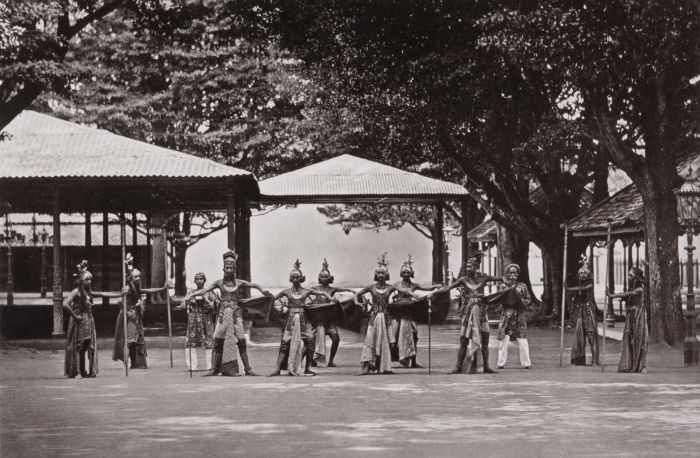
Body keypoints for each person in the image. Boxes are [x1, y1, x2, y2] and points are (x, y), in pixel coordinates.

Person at [185, 250, 272, 376]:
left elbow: (254, 285)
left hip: (236, 316)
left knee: (241, 341)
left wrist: (263, 291)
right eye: (227, 267)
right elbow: (204, 291)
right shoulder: (218, 283)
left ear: (235, 268)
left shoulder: (240, 283)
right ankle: (214, 369)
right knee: (218, 341)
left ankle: (248, 369)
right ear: (223, 268)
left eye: (231, 267)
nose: (229, 270)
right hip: (223, 316)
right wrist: (191, 295)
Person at [354, 254, 419, 375]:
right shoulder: (371, 287)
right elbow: (356, 295)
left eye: (382, 273)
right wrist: (357, 303)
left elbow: (405, 291)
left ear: (387, 275)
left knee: (385, 342)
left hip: (386, 318)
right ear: (375, 275)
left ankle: (384, 367)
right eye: (378, 273)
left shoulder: (390, 288)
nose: (380, 275)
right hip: (374, 318)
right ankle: (367, 367)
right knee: (370, 340)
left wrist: (419, 296)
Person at [269, 260, 336, 376]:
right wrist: (269, 299)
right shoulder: (286, 292)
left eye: (297, 277)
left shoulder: (306, 291)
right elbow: (272, 299)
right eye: (293, 277)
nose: (295, 279)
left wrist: (330, 298)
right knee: (285, 344)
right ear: (290, 279)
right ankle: (278, 369)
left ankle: (307, 368)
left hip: (303, 321)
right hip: (290, 322)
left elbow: (322, 293)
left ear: (301, 278)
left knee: (310, 341)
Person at [440, 252, 502, 374]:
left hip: (482, 314)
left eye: (471, 266)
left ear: (477, 267)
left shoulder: (484, 278)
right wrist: (435, 291)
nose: (468, 269)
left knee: (485, 340)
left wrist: (509, 280)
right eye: (467, 266)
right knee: (463, 340)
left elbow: (499, 278)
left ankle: (486, 366)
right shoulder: (463, 280)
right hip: (468, 313)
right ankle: (458, 367)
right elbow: (448, 288)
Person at [64, 260, 126, 378]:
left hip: (88, 321)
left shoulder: (89, 292)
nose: (90, 281)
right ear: (81, 280)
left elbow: (103, 294)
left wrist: (120, 295)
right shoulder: (76, 291)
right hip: (78, 321)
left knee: (87, 346)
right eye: (87, 279)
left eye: (90, 279)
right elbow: (65, 304)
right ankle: (75, 370)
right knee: (78, 346)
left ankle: (84, 371)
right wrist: (75, 316)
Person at [112, 254, 168, 369]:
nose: (138, 279)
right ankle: (126, 363)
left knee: (136, 339)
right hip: (130, 315)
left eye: (139, 276)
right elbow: (119, 301)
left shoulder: (136, 288)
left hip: (136, 315)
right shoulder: (127, 288)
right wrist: (128, 312)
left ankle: (135, 362)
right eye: (136, 277)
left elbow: (147, 290)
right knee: (130, 340)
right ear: (130, 278)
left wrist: (162, 288)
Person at [391, 254, 441, 368]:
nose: (406, 274)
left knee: (414, 335)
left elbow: (427, 289)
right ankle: (396, 358)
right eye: (404, 272)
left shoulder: (414, 285)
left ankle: (413, 361)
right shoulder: (397, 285)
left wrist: (436, 287)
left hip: (410, 312)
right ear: (401, 273)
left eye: (408, 272)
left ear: (411, 274)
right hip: (399, 312)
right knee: (395, 334)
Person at [310, 258, 355, 367]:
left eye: (326, 277)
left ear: (329, 278)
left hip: (329, 320)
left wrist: (351, 291)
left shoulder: (332, 290)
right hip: (317, 319)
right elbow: (305, 294)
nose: (324, 278)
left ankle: (330, 361)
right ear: (319, 278)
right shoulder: (314, 288)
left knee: (336, 339)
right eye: (322, 276)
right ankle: (311, 360)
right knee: (310, 339)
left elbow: (343, 289)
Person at [175, 272, 218, 371]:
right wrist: (188, 301)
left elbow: (216, 306)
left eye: (201, 279)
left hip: (206, 319)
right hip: (193, 319)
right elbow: (183, 305)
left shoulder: (210, 292)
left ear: (204, 280)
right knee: (190, 342)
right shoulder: (191, 292)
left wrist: (207, 302)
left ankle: (210, 365)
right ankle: (192, 366)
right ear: (194, 281)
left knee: (209, 341)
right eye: (197, 279)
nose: (199, 281)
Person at [493, 263, 532, 369]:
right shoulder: (503, 286)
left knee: (522, 340)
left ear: (518, 274)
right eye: (510, 272)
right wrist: (502, 305)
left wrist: (521, 299)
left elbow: (528, 300)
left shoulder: (522, 286)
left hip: (519, 314)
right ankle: (501, 363)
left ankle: (526, 363)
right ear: (507, 274)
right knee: (503, 340)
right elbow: (498, 300)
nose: (512, 274)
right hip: (506, 315)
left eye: (514, 272)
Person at [610, 267, 648, 373]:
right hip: (630, 315)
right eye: (628, 275)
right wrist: (624, 299)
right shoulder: (632, 287)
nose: (629, 278)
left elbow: (627, 294)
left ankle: (642, 365)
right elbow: (627, 296)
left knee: (640, 338)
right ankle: (629, 363)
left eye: (631, 275)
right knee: (628, 338)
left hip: (638, 315)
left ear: (637, 277)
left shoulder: (640, 288)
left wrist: (612, 295)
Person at [565, 258, 600, 366]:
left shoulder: (590, 282)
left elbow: (584, 288)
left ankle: (594, 360)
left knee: (591, 335)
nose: (582, 274)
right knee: (579, 335)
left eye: (584, 272)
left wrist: (569, 288)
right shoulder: (578, 282)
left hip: (588, 311)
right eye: (580, 273)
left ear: (588, 274)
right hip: (579, 311)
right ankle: (579, 358)